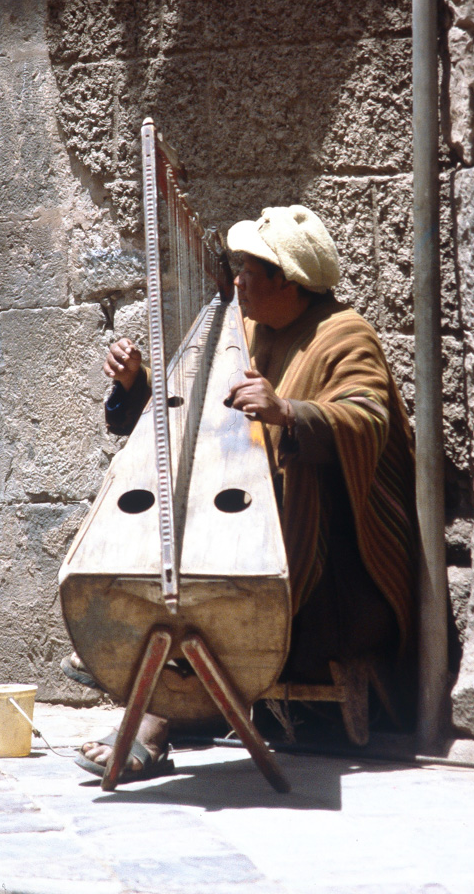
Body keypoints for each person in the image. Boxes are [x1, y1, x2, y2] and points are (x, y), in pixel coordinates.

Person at [70, 204, 418, 780]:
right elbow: (192, 418)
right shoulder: (247, 332)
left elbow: (369, 417)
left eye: (248, 272)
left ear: (286, 280)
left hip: (333, 575)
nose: (235, 282)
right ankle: (146, 669)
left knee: (214, 581)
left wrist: (289, 411)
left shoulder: (344, 335)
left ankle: (152, 708)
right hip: (271, 540)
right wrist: (138, 387)